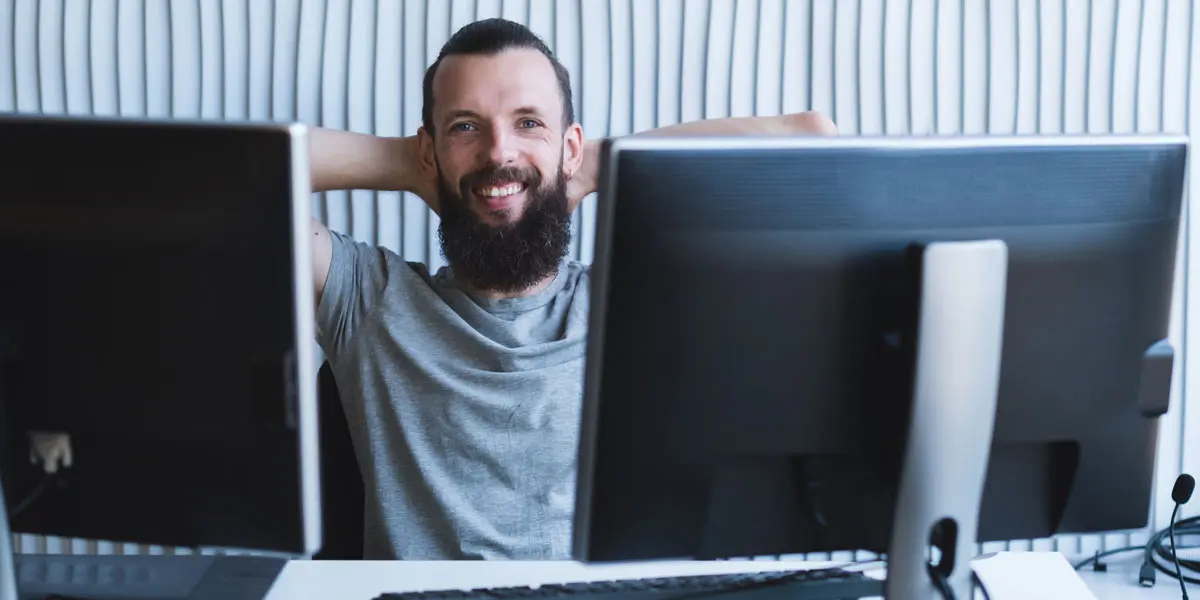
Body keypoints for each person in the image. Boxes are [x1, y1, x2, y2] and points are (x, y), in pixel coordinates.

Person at [306, 18, 837, 560]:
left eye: (528, 122)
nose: (498, 152)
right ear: (429, 152)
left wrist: (578, 172)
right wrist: (416, 165)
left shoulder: (627, 305)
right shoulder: (367, 299)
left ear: (572, 146)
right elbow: (225, 173)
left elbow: (809, 138)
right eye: (466, 127)